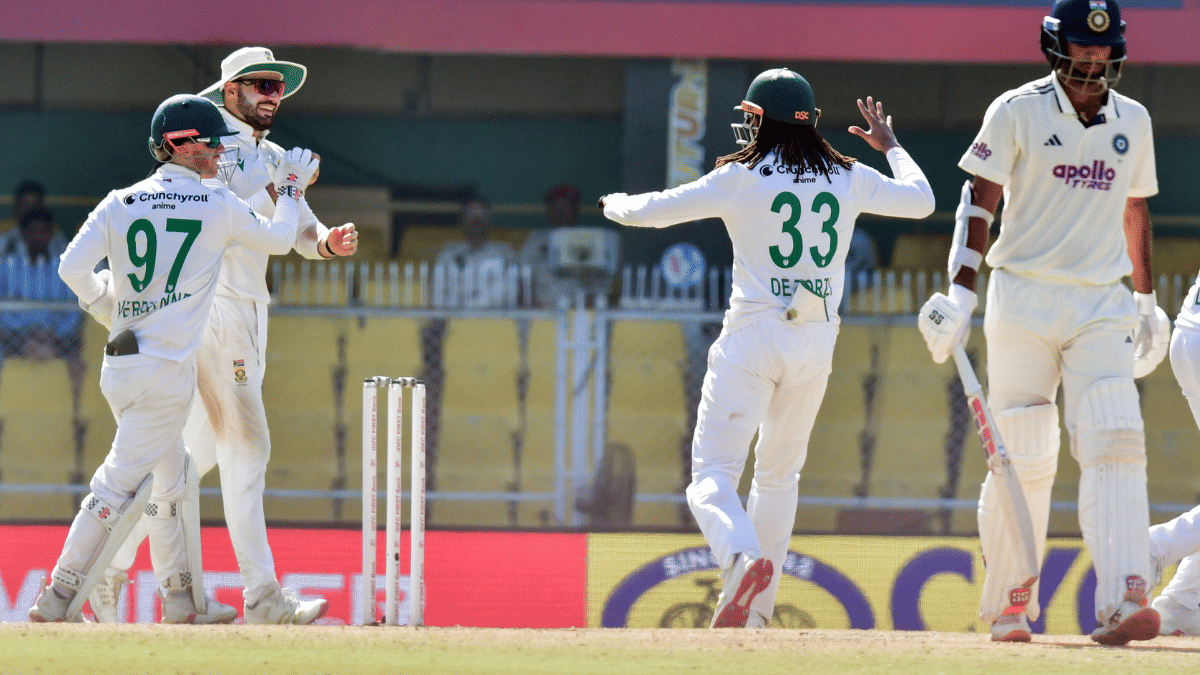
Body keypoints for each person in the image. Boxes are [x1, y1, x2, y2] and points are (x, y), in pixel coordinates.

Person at [600, 68, 935, 628]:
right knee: (779, 477)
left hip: (754, 334)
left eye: (753, 117)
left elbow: (657, 210)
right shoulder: (848, 174)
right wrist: (892, 145)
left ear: (769, 120)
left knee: (711, 474)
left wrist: (615, 204)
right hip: (815, 342)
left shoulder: (743, 175)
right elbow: (923, 202)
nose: (746, 127)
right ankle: (756, 613)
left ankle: (740, 560)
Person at [917, 0, 1163, 645]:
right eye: (1080, 51)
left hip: (1099, 301)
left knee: (1115, 431)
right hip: (1022, 296)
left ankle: (1124, 595)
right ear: (1055, 48)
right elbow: (980, 200)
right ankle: (1009, 602)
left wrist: (1145, 299)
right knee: (1022, 449)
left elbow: (1136, 208)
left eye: (1101, 54)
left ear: (1117, 54)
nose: (1091, 62)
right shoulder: (1017, 109)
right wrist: (961, 292)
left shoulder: (1132, 120)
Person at [89, 46, 356, 625]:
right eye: (260, 83)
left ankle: (105, 572)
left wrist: (327, 241)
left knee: (188, 462)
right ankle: (263, 597)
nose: (272, 93)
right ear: (230, 90)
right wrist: (282, 184)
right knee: (249, 446)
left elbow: (295, 230)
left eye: (278, 85)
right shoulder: (214, 150)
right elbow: (231, 217)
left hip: (249, 313)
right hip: (216, 313)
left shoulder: (276, 154)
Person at [28, 93, 317, 623]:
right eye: (211, 142)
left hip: (121, 362)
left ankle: (183, 602)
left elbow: (71, 267)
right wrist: (293, 187)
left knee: (175, 473)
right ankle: (59, 594)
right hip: (165, 371)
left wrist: (108, 308)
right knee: (119, 484)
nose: (220, 153)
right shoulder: (216, 204)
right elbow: (279, 238)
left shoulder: (120, 201)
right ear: (182, 145)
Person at [0, 206, 85, 400]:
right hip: (17, 336)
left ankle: (76, 418)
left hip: (56, 337)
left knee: (79, 362)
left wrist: (53, 333)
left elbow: (74, 312)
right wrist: (28, 332)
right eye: (33, 231)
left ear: (51, 233)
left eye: (44, 231)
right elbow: (2, 311)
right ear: (24, 234)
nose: (38, 236)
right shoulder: (8, 266)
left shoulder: (64, 267)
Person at [433, 197, 517, 308]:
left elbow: (512, 291)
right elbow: (438, 293)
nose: (476, 219)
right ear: (461, 220)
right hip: (456, 319)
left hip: (495, 320)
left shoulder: (505, 252)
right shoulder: (448, 254)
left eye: (481, 215)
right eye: (471, 214)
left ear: (489, 219)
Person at [519, 183, 582, 307]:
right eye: (556, 206)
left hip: (577, 313)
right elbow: (521, 279)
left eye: (566, 206)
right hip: (541, 313)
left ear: (575, 210)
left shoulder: (588, 241)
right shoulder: (535, 240)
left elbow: (597, 289)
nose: (561, 211)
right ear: (548, 210)